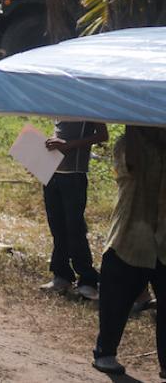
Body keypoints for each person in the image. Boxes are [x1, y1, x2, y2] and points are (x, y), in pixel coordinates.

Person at [91, 126, 166, 376]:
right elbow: (131, 166)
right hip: (130, 237)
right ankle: (105, 353)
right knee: (116, 299)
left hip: (164, 239)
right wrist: (133, 120)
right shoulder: (127, 144)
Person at [40, 121, 108, 299]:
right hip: (52, 172)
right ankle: (61, 275)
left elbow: (103, 135)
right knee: (57, 226)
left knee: (74, 228)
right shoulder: (61, 101)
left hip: (74, 174)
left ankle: (88, 279)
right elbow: (59, 132)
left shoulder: (88, 102)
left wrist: (69, 145)